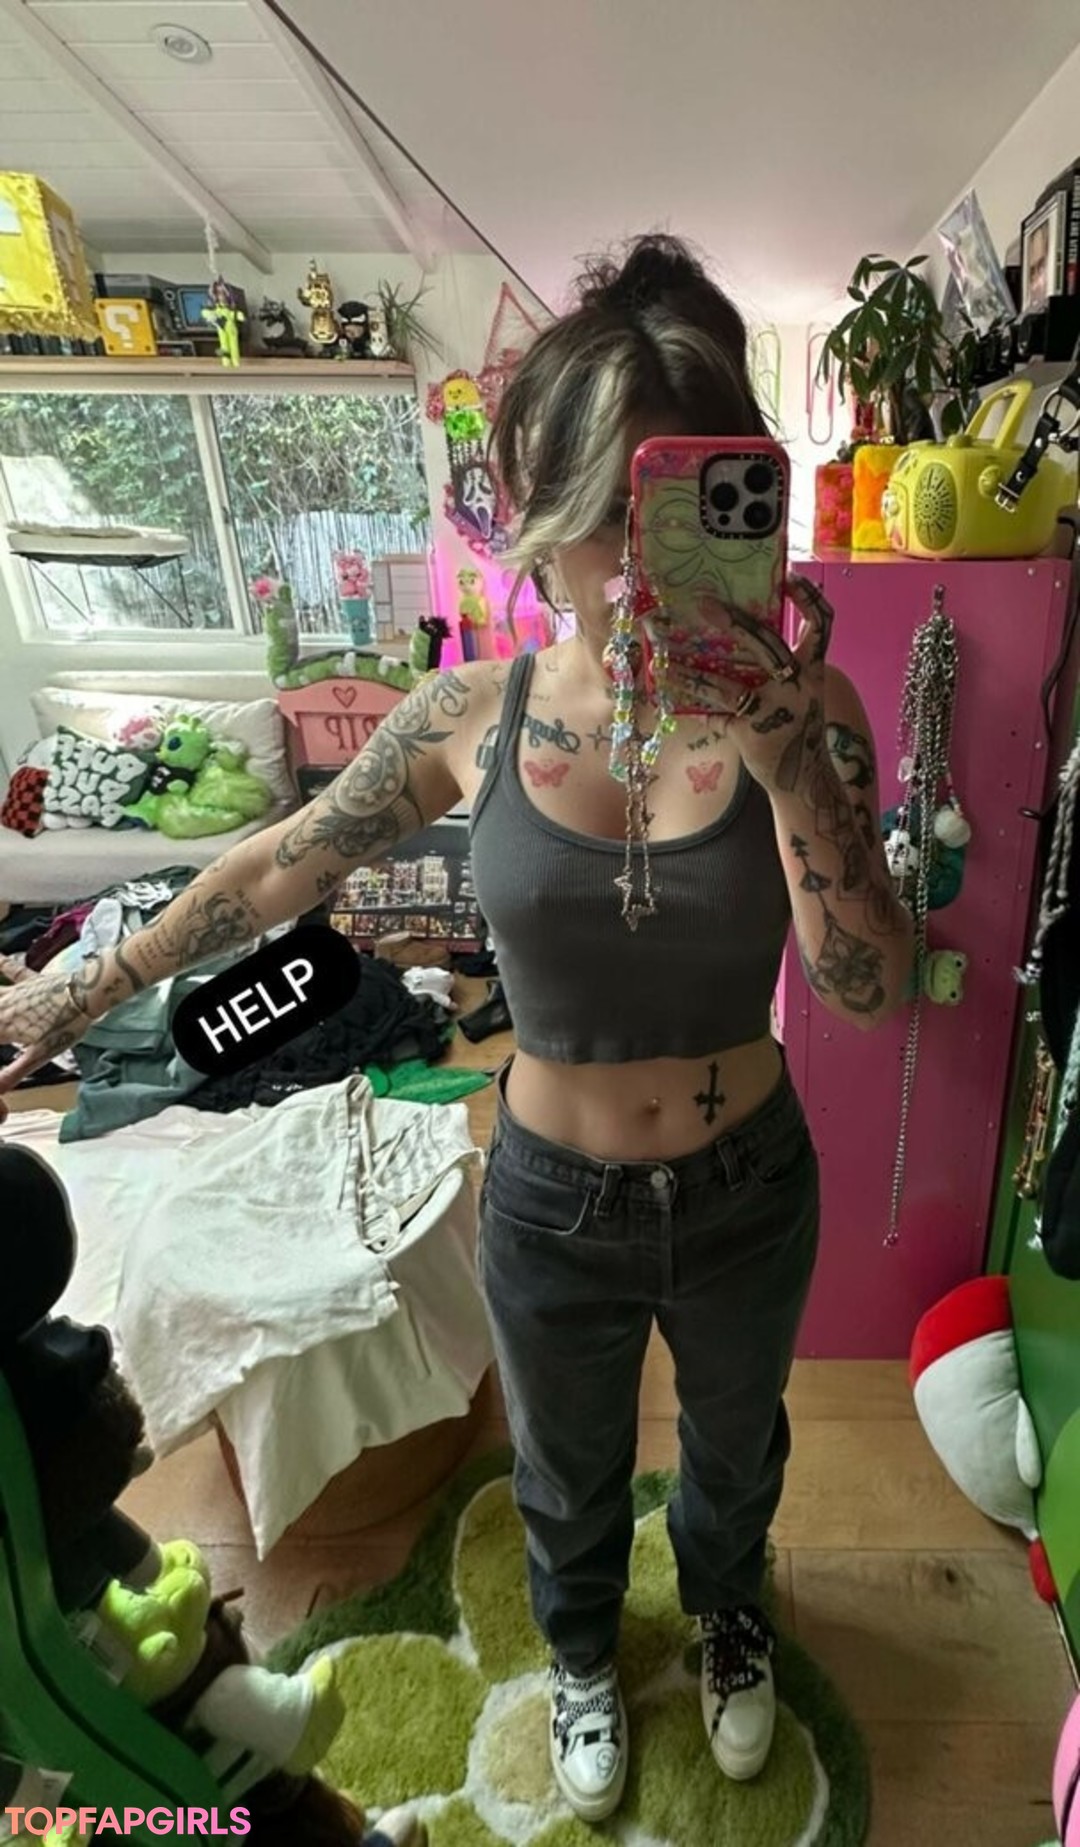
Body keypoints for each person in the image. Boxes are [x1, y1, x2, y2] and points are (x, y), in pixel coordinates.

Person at [0, 236, 913, 1824]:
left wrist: (785, 769)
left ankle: (727, 1614)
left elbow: (871, 988)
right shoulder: (471, 716)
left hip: (750, 1185)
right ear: (543, 517)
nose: (636, 571)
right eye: (605, 516)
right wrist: (80, 983)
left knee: (734, 1449)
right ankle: (581, 1651)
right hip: (552, 1198)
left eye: (676, 511)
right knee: (561, 1467)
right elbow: (279, 865)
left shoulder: (808, 717)